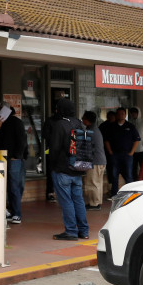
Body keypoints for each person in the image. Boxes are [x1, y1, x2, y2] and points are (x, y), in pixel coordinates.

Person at [46, 97, 89, 240]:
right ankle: (83, 231)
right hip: (78, 169)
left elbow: (55, 148)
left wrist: (51, 165)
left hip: (62, 169)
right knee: (78, 200)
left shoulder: (60, 124)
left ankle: (71, 231)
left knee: (66, 201)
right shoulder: (79, 123)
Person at [0, 103, 29, 224]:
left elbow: (22, 141)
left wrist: (18, 156)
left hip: (13, 159)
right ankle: (11, 211)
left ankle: (16, 213)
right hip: (2, 158)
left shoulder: (16, 122)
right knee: (6, 186)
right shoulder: (0, 124)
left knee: (14, 186)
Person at [104, 107, 140, 196]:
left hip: (127, 155)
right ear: (116, 115)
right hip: (115, 155)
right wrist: (110, 152)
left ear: (125, 115)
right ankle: (114, 194)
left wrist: (131, 152)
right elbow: (106, 140)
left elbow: (136, 140)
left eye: (123, 114)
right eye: (119, 114)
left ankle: (130, 193)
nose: (121, 115)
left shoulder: (130, 126)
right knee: (114, 175)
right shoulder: (111, 126)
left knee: (128, 174)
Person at [41, 91, 66, 201]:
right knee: (52, 172)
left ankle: (57, 192)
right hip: (51, 151)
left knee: (62, 171)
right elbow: (45, 135)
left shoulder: (65, 121)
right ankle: (50, 192)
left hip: (62, 151)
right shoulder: (50, 121)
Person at [81, 111, 106, 210]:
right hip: (100, 161)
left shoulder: (91, 131)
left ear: (88, 121)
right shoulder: (95, 129)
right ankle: (96, 202)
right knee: (98, 183)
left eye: (83, 118)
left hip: (95, 162)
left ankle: (94, 204)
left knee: (93, 183)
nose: (82, 120)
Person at [97, 110, 117, 195]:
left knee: (117, 170)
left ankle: (115, 189)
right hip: (106, 152)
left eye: (112, 116)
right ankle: (111, 187)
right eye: (109, 117)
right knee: (110, 169)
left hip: (118, 152)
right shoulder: (103, 126)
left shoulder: (118, 125)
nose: (111, 118)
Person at [129, 107, 143, 182]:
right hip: (132, 150)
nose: (133, 114)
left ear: (138, 113)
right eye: (132, 112)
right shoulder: (129, 123)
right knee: (133, 168)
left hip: (142, 150)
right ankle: (135, 182)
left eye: (135, 112)